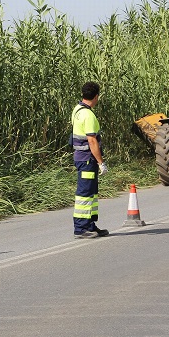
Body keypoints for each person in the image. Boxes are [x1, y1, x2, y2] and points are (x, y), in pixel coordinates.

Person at [71, 81, 108, 239]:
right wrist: (101, 162)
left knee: (91, 193)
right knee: (85, 194)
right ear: (96, 96)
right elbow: (92, 141)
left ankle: (90, 225)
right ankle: (80, 228)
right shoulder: (88, 115)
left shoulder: (77, 110)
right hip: (87, 159)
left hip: (82, 158)